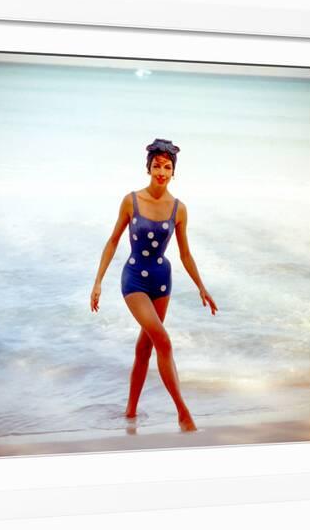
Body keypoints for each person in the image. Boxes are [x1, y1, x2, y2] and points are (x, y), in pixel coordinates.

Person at [90, 138, 218, 432]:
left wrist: (201, 286)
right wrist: (98, 282)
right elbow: (112, 241)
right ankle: (183, 413)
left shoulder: (179, 209)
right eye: (157, 166)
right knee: (163, 340)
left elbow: (185, 253)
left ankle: (131, 412)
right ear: (148, 168)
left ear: (174, 172)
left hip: (162, 280)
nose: (162, 171)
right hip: (133, 278)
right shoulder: (131, 200)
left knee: (146, 347)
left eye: (167, 167)